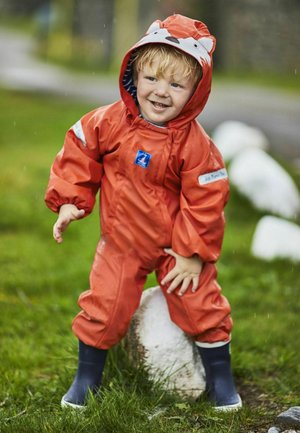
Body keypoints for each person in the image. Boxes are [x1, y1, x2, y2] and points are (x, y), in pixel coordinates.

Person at [45, 14, 242, 411]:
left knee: (201, 301)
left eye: (177, 84)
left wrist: (192, 251)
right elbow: (79, 151)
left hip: (177, 247)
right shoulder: (108, 122)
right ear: (135, 74)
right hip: (123, 241)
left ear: (197, 92)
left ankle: (221, 377)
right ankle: (87, 378)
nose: (161, 92)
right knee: (105, 305)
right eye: (152, 78)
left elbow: (207, 198)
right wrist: (70, 199)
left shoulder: (195, 144)